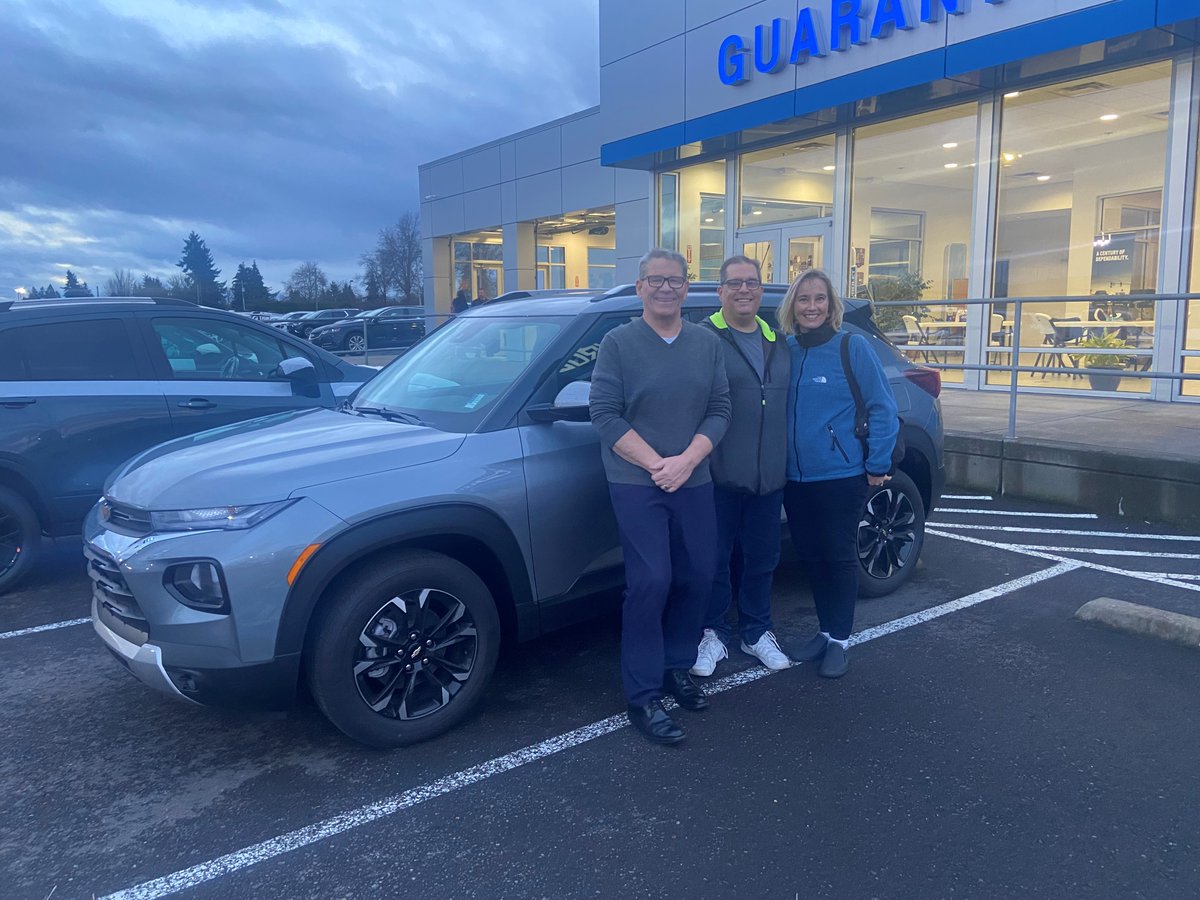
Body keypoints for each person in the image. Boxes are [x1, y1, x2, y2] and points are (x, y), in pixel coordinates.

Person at [589, 248, 731, 745]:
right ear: (639, 287)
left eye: (674, 281)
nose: (665, 288)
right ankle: (644, 695)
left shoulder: (705, 343)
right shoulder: (617, 343)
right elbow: (605, 414)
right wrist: (657, 464)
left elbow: (720, 409)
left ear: (687, 288)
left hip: (692, 478)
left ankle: (676, 667)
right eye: (655, 280)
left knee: (698, 575)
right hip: (636, 481)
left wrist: (687, 461)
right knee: (652, 579)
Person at [781, 269, 898, 679]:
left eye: (819, 299)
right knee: (811, 557)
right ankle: (825, 629)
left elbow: (882, 407)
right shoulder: (788, 350)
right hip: (793, 479)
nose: (811, 307)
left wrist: (877, 464)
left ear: (832, 306)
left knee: (839, 557)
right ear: (792, 306)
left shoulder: (852, 347)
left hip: (841, 475)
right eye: (803, 299)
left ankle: (840, 641)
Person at [691, 256, 792, 678]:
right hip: (717, 474)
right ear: (720, 291)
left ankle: (756, 630)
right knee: (713, 559)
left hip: (769, 476)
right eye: (735, 283)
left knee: (762, 558)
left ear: (761, 289)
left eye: (752, 283)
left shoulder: (779, 339)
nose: (744, 290)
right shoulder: (703, 338)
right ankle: (712, 633)